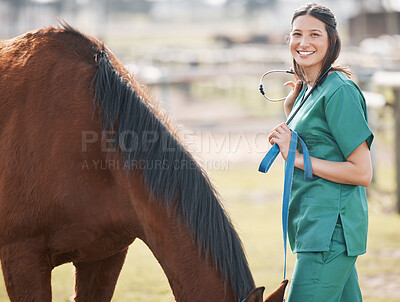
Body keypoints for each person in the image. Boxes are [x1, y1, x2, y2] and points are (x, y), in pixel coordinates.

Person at [267, 3, 373, 302]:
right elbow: (320, 137)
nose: (304, 42)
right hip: (311, 226)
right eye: (297, 34)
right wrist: (292, 108)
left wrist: (297, 158)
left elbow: (362, 172)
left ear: (331, 41)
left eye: (315, 34)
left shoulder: (340, 90)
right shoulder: (311, 89)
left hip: (330, 232)